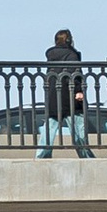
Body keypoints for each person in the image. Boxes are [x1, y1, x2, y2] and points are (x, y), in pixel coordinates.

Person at [38, 28, 90, 158]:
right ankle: (86, 157)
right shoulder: (71, 55)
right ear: (69, 40)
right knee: (78, 131)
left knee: (49, 129)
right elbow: (74, 74)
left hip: (54, 96)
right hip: (69, 96)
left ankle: (42, 156)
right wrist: (78, 90)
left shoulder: (51, 56)